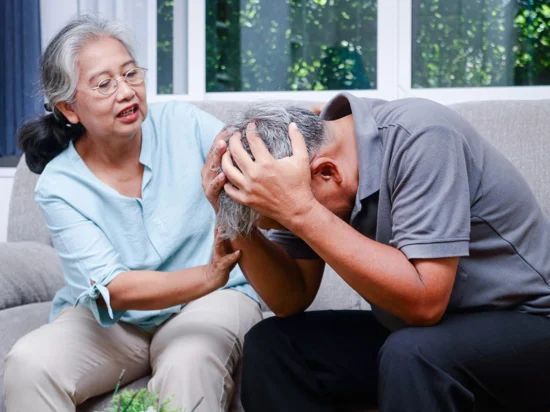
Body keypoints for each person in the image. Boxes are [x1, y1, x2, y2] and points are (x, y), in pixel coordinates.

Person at [201, 95, 550, 411]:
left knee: (413, 353)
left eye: (280, 217)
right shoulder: (302, 166)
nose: (286, 225)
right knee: (274, 345)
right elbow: (290, 298)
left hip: (528, 323)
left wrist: (301, 212)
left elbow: (425, 304)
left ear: (326, 172)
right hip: (431, 333)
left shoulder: (422, 136)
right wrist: (235, 219)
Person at [3, 15, 261, 412]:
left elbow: (256, 168)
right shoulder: (58, 184)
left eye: (130, 74)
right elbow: (114, 288)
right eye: (105, 84)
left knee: (188, 362)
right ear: (69, 108)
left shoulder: (185, 124)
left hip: (214, 300)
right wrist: (208, 273)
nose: (126, 92)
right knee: (30, 364)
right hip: (117, 323)